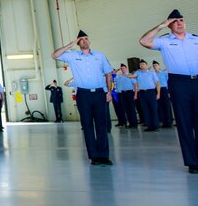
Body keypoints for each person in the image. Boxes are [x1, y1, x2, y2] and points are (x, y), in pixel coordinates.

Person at [139, 9, 198, 174]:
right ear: (170, 25)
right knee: (184, 122)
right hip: (179, 82)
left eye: (181, 20)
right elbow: (144, 41)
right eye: (175, 21)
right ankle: (193, 162)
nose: (179, 23)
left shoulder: (195, 39)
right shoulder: (164, 41)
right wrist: (161, 26)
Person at [52, 30, 113, 166]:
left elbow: (108, 73)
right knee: (87, 125)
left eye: (86, 38)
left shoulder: (100, 56)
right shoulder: (72, 56)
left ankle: (104, 156)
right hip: (83, 95)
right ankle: (94, 157)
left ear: (89, 41)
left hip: (99, 93)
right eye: (81, 39)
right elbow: (54, 55)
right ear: (78, 43)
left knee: (102, 125)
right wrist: (69, 45)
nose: (84, 41)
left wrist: (109, 92)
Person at [128, 59, 160, 132]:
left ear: (147, 65)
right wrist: (136, 71)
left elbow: (158, 84)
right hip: (142, 93)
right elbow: (130, 76)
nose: (141, 65)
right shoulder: (138, 73)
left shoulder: (152, 73)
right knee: (145, 109)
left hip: (151, 92)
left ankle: (156, 126)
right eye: (140, 65)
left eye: (143, 64)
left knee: (153, 109)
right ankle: (149, 126)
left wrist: (158, 94)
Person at [115, 64, 139, 128]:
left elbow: (135, 85)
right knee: (126, 109)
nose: (123, 69)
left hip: (130, 92)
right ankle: (130, 123)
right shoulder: (120, 76)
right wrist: (117, 70)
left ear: (126, 68)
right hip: (123, 93)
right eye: (121, 68)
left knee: (132, 108)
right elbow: (113, 75)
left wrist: (135, 94)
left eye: (124, 68)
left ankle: (134, 123)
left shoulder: (130, 75)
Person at [152, 60, 174, 128]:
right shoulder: (153, 74)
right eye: (154, 66)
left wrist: (169, 92)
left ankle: (169, 122)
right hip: (156, 90)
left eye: (156, 65)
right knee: (160, 106)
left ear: (159, 65)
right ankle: (164, 122)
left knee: (167, 106)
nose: (155, 66)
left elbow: (168, 83)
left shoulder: (164, 73)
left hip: (164, 89)